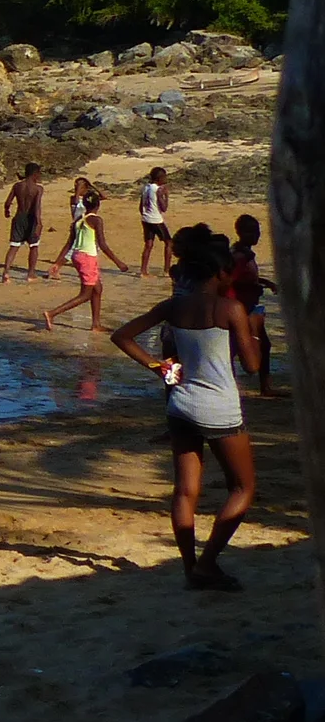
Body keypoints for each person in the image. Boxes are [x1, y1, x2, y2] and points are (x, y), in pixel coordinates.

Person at [110, 247, 263, 591]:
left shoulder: (174, 306)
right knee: (242, 487)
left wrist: (158, 367)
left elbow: (121, 335)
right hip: (220, 407)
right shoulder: (231, 308)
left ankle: (190, 568)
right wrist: (251, 329)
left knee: (184, 491)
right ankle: (208, 563)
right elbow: (253, 366)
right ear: (219, 274)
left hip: (181, 404)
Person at [44, 187, 120, 332]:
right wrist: (118, 262)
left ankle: (96, 324)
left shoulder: (79, 219)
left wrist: (58, 263)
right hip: (87, 258)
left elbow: (69, 243)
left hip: (77, 256)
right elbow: (102, 244)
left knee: (97, 289)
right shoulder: (97, 220)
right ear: (98, 205)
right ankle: (52, 314)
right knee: (85, 294)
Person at [230, 215, 274, 396]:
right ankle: (260, 386)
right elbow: (232, 280)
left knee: (264, 345)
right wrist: (255, 286)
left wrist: (265, 282)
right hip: (242, 307)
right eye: (251, 232)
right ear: (240, 232)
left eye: (258, 232)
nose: (256, 236)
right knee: (236, 347)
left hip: (249, 306)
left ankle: (266, 386)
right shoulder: (240, 255)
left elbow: (248, 277)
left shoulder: (244, 253)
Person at [0, 163, 46, 282]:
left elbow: (7, 202)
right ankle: (31, 273)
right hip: (31, 218)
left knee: (14, 246)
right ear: (35, 174)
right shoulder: (38, 188)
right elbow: (36, 207)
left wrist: (7, 211)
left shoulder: (17, 186)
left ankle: (6, 272)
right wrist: (39, 222)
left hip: (19, 216)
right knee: (34, 246)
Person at [138, 167, 173, 272]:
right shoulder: (157, 190)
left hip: (145, 218)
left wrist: (146, 214)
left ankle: (143, 271)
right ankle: (167, 270)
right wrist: (166, 196)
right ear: (160, 178)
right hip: (155, 220)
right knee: (169, 243)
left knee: (148, 244)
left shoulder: (146, 188)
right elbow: (164, 208)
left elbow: (141, 206)